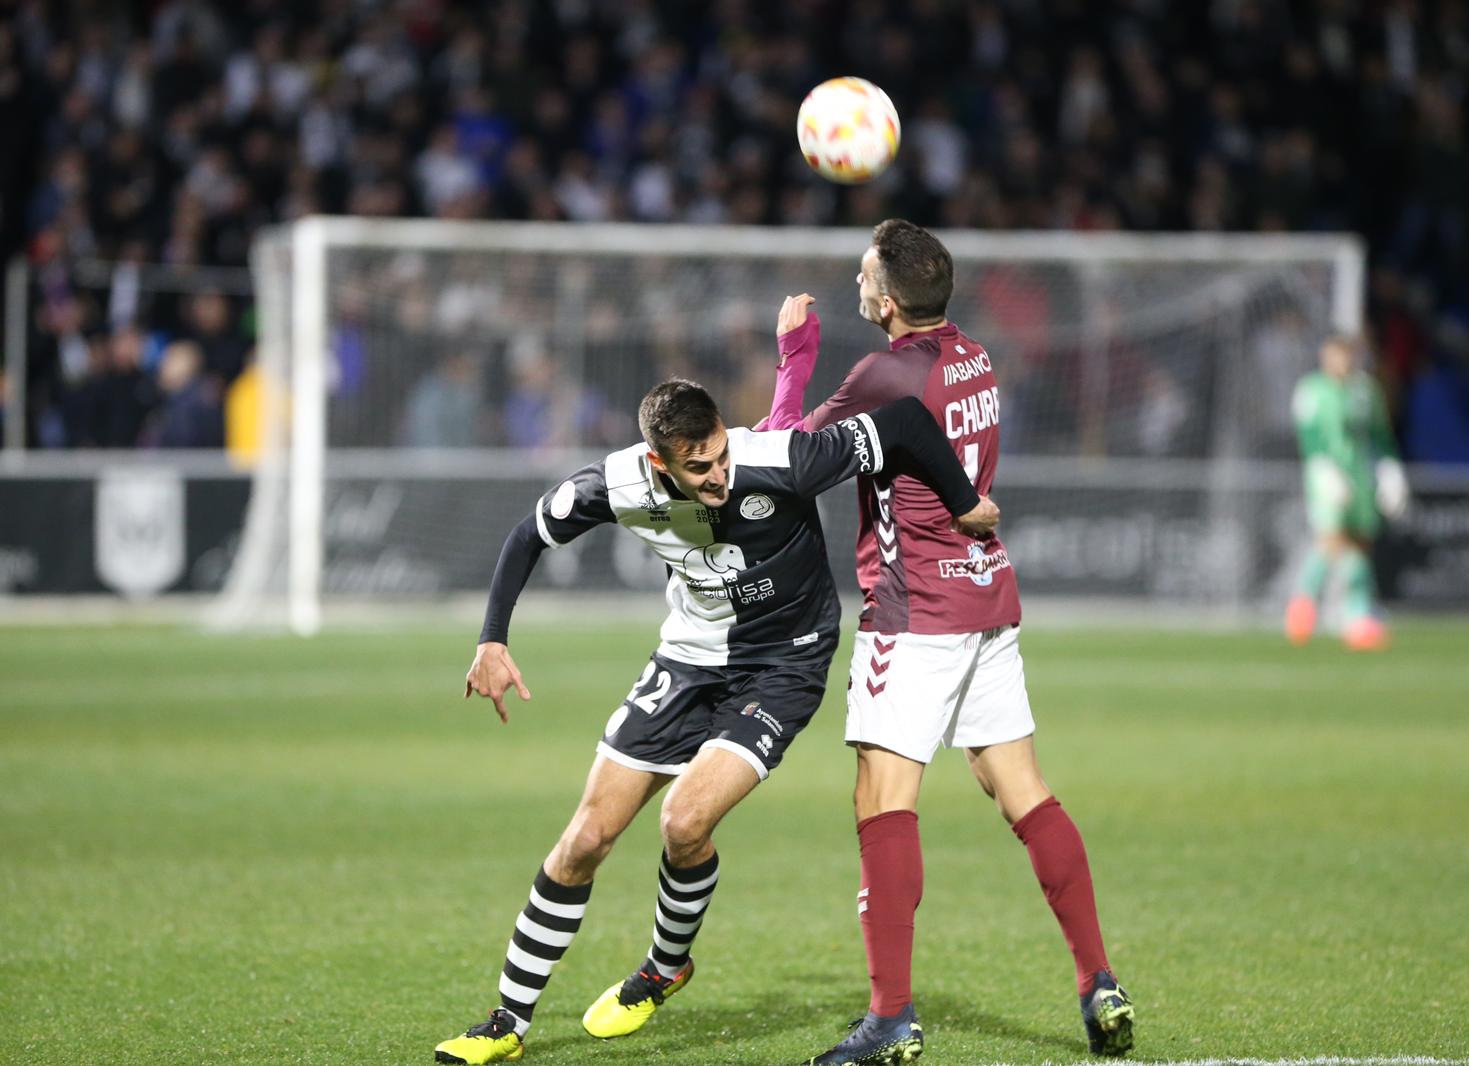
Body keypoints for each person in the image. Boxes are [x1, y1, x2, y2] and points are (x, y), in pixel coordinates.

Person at [435, 375, 1000, 1065]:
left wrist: (965, 504)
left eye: (720, 455)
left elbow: (908, 420)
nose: (718, 476)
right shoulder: (616, 484)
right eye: (697, 467)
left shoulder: (780, 459)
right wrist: (492, 640)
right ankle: (507, 1023)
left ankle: (663, 967)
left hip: (783, 665)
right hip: (687, 658)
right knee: (585, 838)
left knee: (684, 819)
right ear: (658, 464)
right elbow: (528, 534)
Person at [757, 219, 1133, 1063]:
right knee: (1025, 793)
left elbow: (786, 456)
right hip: (986, 595)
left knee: (882, 802)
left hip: (913, 608)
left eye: (863, 273)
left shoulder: (881, 372)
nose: (856, 281)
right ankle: (1098, 979)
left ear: (886, 300)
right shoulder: (976, 356)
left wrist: (793, 358)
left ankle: (890, 1018)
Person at [1284, 335, 1409, 650]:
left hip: (1361, 476)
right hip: (1326, 476)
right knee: (1332, 540)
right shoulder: (1311, 389)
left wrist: (1390, 471)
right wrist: (1324, 471)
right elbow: (1309, 435)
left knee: (1359, 543)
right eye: (1335, 356)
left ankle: (1352, 616)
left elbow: (1380, 434)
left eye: (1347, 356)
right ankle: (1309, 605)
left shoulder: (1366, 390)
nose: (1341, 362)